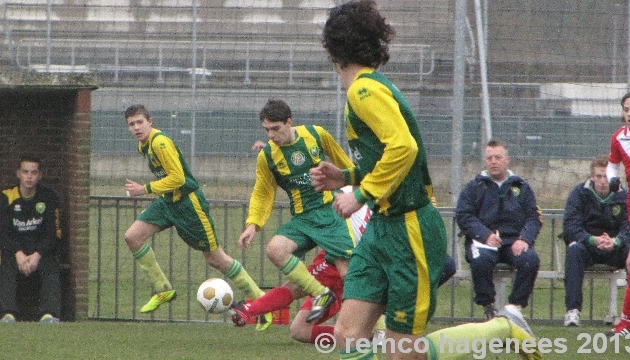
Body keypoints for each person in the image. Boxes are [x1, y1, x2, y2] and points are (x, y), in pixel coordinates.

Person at [311, 2, 448, 358]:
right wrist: (346, 175)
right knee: (347, 334)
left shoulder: (363, 91)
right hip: (382, 229)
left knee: (401, 351)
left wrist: (361, 195)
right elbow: (386, 155)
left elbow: (404, 147)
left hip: (410, 229)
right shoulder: (366, 88)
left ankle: (500, 328)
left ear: (332, 48)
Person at [230, 183, 458, 344]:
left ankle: (377, 328)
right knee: (299, 330)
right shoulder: (343, 196)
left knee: (444, 266)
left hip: (358, 268)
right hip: (339, 264)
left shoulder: (380, 197)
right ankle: (369, 336)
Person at [121, 104, 269, 326]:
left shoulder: (160, 142)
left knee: (216, 259)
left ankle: (263, 305)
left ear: (150, 122)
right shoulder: (144, 146)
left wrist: (145, 189)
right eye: (131, 124)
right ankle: (163, 289)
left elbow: (178, 179)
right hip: (168, 202)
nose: (136, 127)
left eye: (140, 122)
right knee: (132, 237)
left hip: (188, 204)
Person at [237, 99, 356, 324]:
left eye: (276, 128)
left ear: (289, 122)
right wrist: (253, 223)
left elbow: (344, 163)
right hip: (302, 219)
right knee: (275, 249)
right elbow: (262, 192)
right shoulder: (268, 156)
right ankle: (322, 293)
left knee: (349, 275)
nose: (271, 135)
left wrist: (358, 193)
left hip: (329, 215)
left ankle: (378, 327)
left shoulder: (316, 134)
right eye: (266, 130)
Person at [456, 139, 542, 320]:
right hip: (483, 243)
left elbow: (534, 217)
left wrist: (524, 239)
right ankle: (488, 306)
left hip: (513, 242)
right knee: (480, 261)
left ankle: (514, 308)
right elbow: (464, 215)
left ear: (507, 160)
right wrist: (485, 235)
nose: (493, 161)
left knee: (530, 260)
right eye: (489, 158)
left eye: (498, 157)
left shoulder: (521, 186)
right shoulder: (474, 186)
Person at [562, 155, 630, 326]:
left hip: (615, 248)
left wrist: (616, 241)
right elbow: (570, 227)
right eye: (598, 176)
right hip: (588, 247)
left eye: (606, 176)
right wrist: (592, 239)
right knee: (573, 250)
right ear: (592, 177)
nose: (602, 181)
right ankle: (573, 311)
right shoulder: (578, 194)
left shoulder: (624, 197)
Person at [0, 154, 62, 323]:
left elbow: (54, 234)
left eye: (33, 172)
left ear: (40, 175)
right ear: (18, 173)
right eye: (25, 172)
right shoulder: (6, 197)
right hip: (15, 251)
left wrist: (37, 255)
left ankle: (49, 314)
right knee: (6, 265)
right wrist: (18, 253)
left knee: (51, 265)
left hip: (39, 252)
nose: (29, 176)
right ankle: (7, 314)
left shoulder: (48, 197)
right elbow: (3, 233)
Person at [606, 90, 630, 336]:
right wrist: (613, 180)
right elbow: (612, 164)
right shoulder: (618, 138)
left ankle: (625, 324)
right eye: (626, 110)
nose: (629, 114)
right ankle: (628, 322)